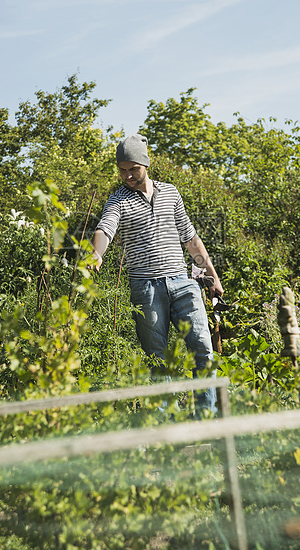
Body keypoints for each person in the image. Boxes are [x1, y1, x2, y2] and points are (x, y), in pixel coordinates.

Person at [92, 134, 224, 411]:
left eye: (133, 169)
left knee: (203, 350)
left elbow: (190, 239)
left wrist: (212, 275)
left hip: (183, 283)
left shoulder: (170, 192)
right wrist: (97, 254)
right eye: (122, 170)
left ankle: (206, 420)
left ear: (145, 164)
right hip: (146, 288)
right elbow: (105, 228)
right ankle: (167, 431)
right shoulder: (117, 200)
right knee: (158, 360)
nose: (127, 175)